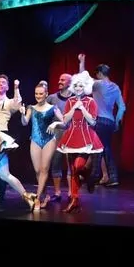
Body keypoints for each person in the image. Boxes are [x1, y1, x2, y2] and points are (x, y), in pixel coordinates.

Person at [49, 70, 103, 214]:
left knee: (79, 166)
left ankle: (89, 178)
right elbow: (65, 120)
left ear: (85, 87)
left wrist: (82, 108)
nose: (78, 88)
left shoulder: (91, 101)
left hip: (86, 137)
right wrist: (74, 107)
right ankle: (74, 200)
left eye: (81, 86)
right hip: (71, 136)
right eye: (76, 86)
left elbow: (93, 121)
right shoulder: (70, 101)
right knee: (72, 170)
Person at [79, 54, 125, 187]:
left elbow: (82, 77)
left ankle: (94, 176)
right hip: (110, 122)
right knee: (105, 148)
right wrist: (117, 121)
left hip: (98, 120)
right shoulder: (115, 87)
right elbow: (122, 107)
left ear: (99, 73)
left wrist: (82, 62)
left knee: (96, 149)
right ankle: (111, 177)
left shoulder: (97, 84)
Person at [21, 82, 64, 209]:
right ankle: (45, 195)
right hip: (35, 139)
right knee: (38, 171)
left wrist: (55, 124)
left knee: (44, 169)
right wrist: (22, 114)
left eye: (41, 94)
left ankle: (38, 199)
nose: (38, 96)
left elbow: (64, 122)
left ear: (46, 94)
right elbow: (24, 123)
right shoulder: (31, 108)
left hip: (49, 140)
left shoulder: (53, 108)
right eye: (36, 94)